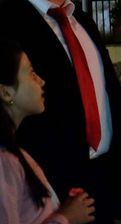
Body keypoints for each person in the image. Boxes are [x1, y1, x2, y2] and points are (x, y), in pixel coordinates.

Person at [0, 0, 121, 224]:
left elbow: (110, 99)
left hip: (106, 177)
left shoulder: (81, 21)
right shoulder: (7, 25)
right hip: (49, 185)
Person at [0, 39, 95, 224]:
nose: (41, 81)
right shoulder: (5, 162)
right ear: (6, 93)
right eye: (31, 73)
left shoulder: (15, 153)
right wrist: (65, 217)